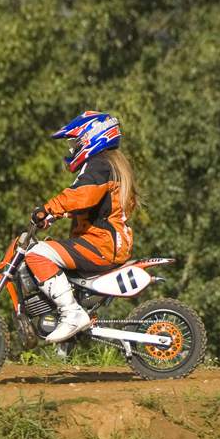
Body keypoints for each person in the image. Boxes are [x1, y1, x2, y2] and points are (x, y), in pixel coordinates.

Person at [26, 110, 140, 343]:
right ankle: (67, 316)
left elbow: (80, 196)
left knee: (37, 254)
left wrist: (48, 209)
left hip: (101, 245)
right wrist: (55, 216)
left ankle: (71, 313)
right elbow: (92, 208)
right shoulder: (109, 165)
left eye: (75, 142)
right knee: (49, 249)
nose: (72, 149)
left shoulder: (99, 165)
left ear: (92, 137)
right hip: (105, 242)